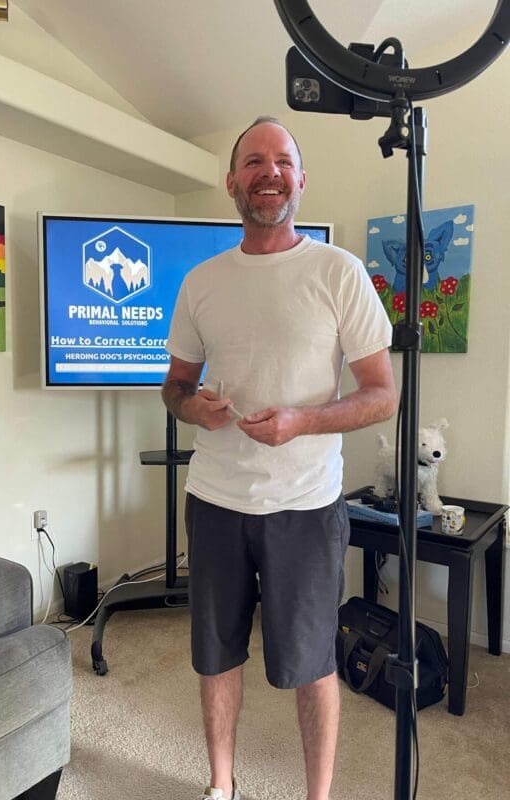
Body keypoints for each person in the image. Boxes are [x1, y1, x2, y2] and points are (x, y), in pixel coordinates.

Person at [162, 116, 397, 800]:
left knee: (311, 661)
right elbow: (174, 386)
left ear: (300, 180)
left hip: (306, 508)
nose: (271, 172)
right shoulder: (201, 282)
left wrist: (302, 421)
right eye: (255, 162)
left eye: (284, 161)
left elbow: (382, 396)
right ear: (232, 181)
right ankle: (220, 786)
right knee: (216, 655)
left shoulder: (338, 273)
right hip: (214, 501)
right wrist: (189, 405)